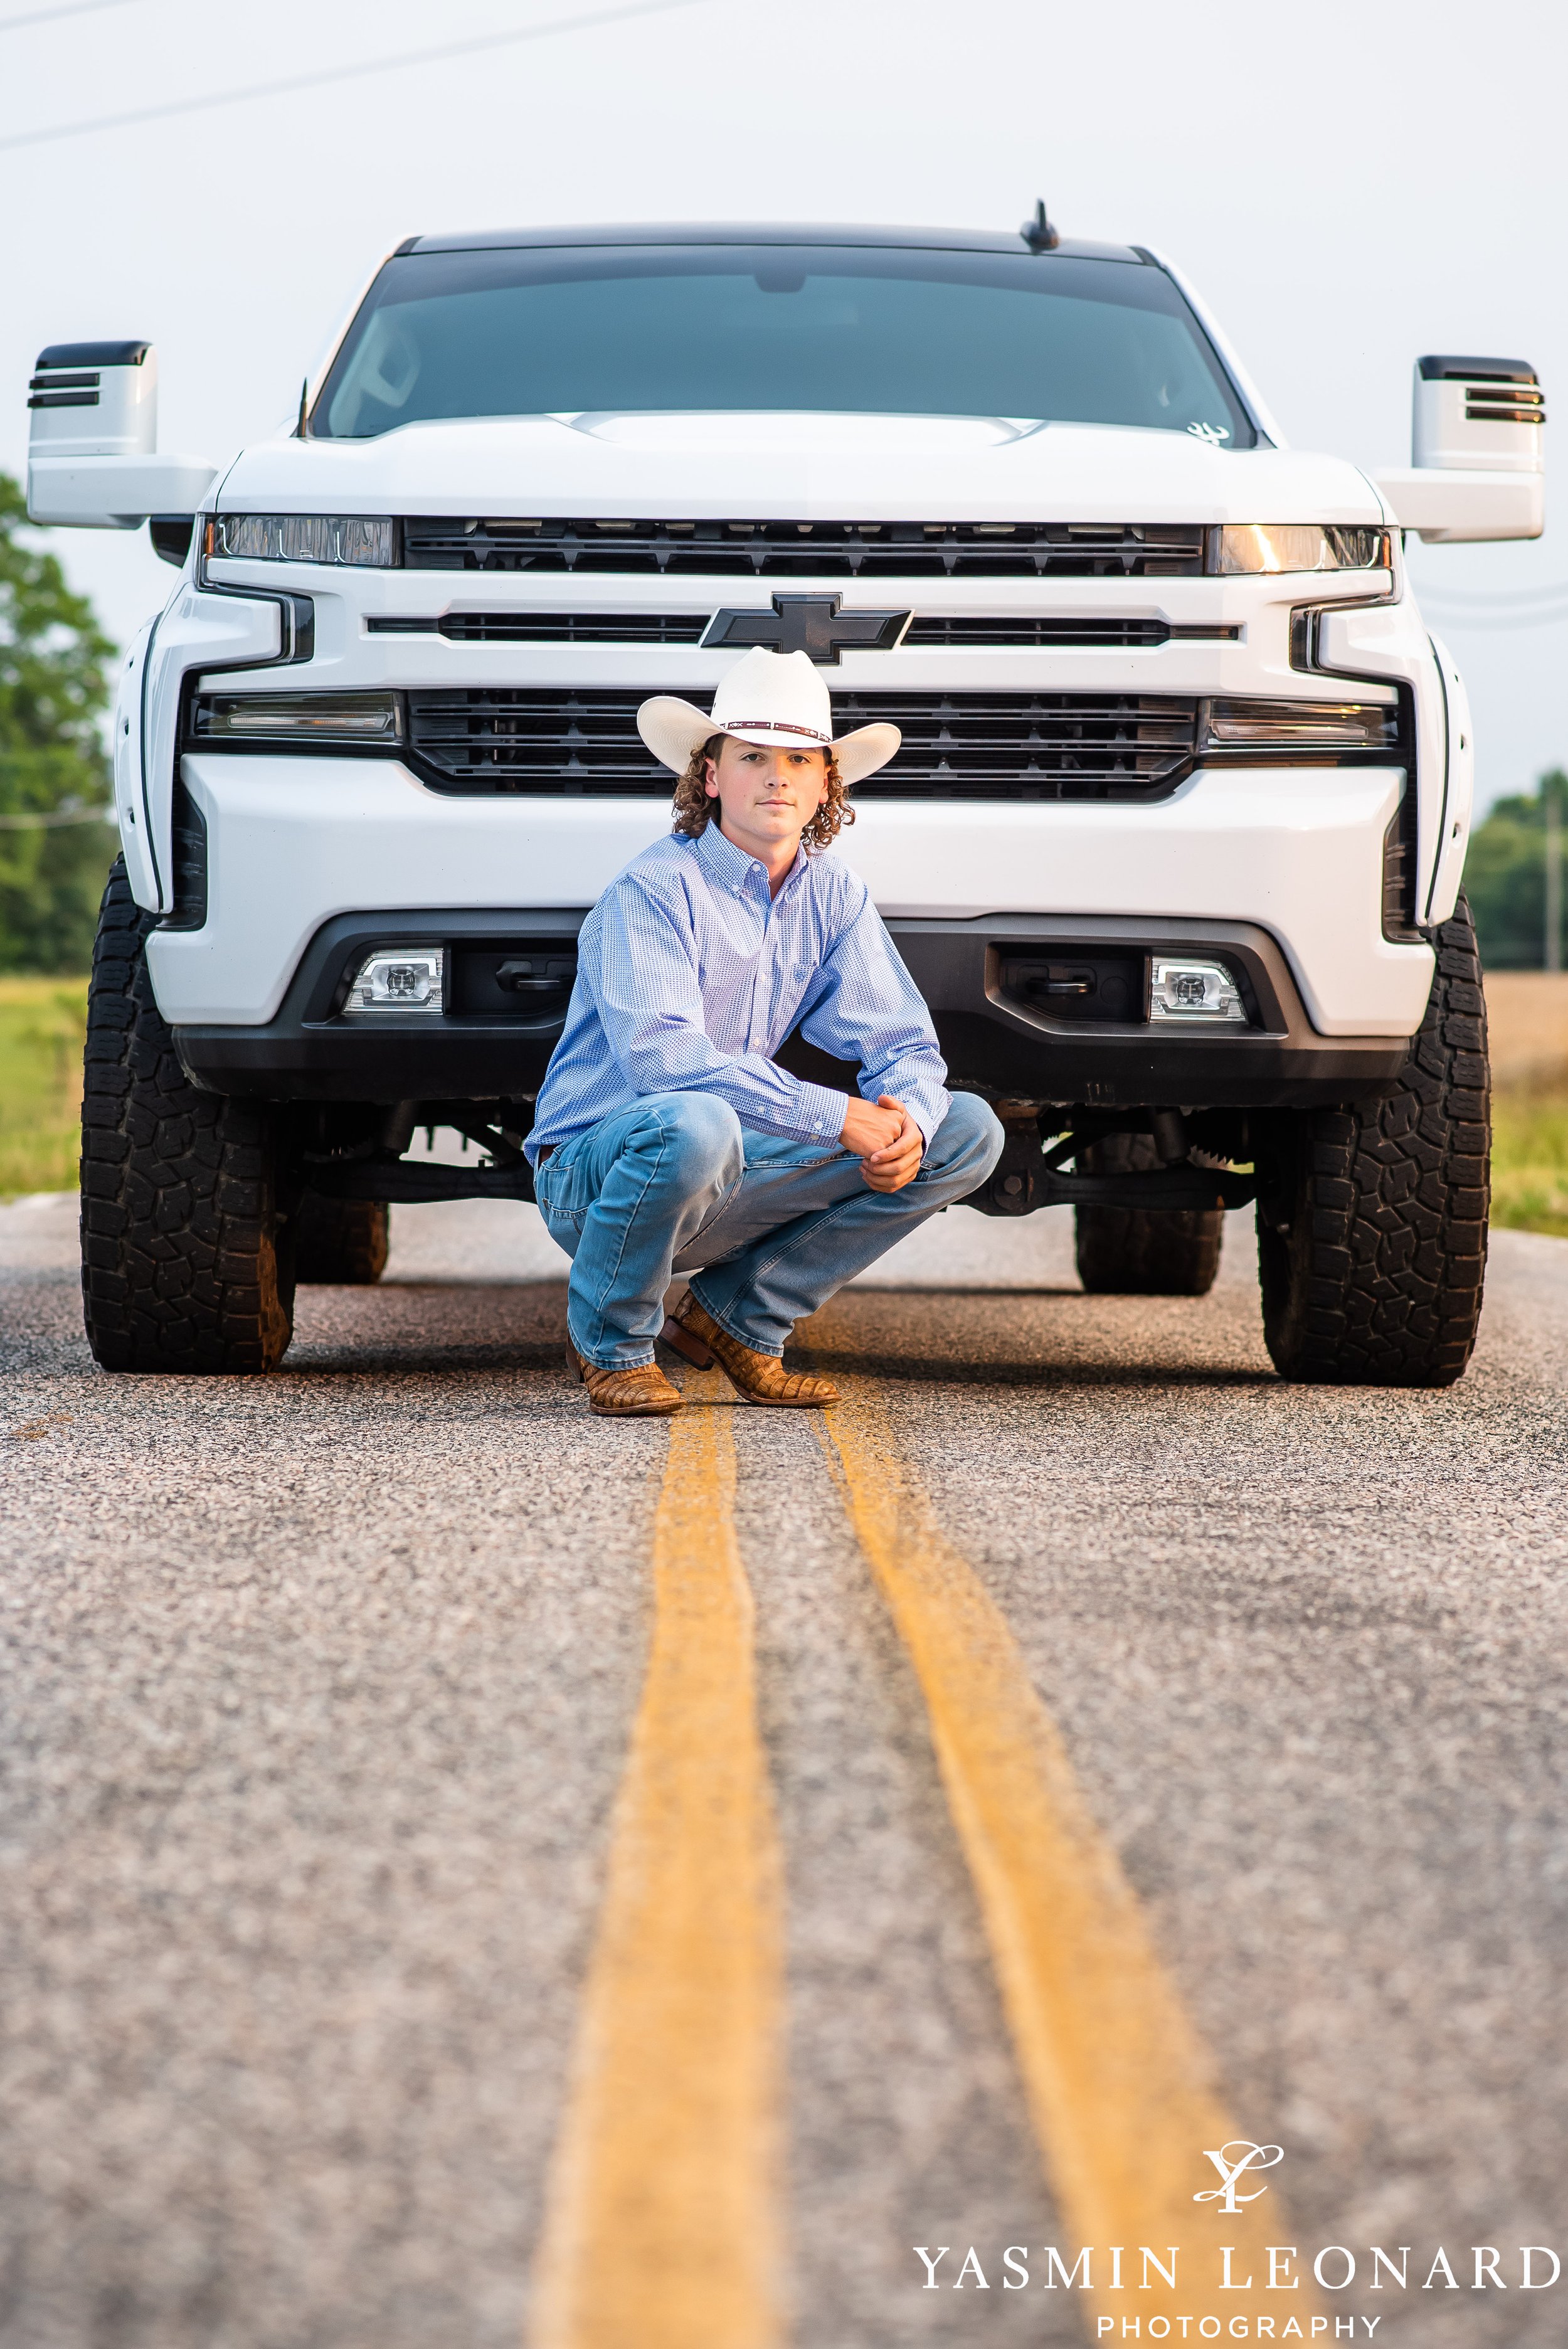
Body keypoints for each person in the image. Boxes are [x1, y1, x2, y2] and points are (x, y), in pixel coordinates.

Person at [527, 646, 1004, 1417]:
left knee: (965, 1130)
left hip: (725, 1160)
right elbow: (667, 1063)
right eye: (752, 756)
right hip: (597, 1176)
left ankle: (737, 1320)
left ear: (826, 784)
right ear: (712, 777)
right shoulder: (650, 891)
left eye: (798, 758)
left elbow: (905, 1047)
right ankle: (613, 1348)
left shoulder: (833, 894)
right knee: (696, 1119)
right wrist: (836, 1115)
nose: (776, 775)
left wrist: (906, 1126)